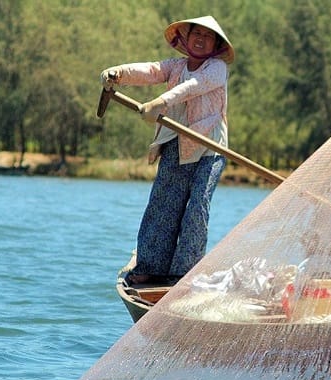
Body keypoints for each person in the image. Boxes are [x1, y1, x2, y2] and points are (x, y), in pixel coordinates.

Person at [100, 16, 233, 285]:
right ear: (185, 39)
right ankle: (150, 266)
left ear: (216, 45)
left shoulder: (217, 68)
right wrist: (117, 74)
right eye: (195, 33)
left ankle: (182, 274)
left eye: (207, 37)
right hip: (175, 143)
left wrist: (161, 101)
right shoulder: (176, 67)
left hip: (208, 147)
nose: (199, 39)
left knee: (196, 208)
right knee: (163, 206)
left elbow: (193, 87)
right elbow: (151, 71)